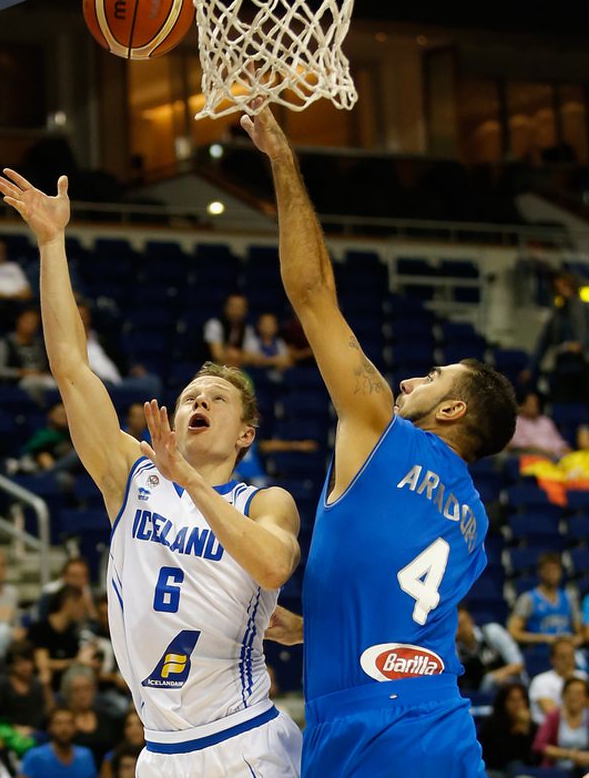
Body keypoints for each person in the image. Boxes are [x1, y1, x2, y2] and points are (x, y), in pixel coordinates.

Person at [0, 166, 303, 776]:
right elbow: (72, 368)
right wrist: (52, 246)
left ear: (245, 433)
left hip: (241, 738)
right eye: (190, 395)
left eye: (216, 397)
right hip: (158, 752)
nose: (198, 402)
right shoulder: (133, 476)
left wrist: (187, 477)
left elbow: (272, 565)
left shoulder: (264, 501)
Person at [241, 100, 518, 777]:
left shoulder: (380, 433)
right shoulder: (474, 522)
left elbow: (311, 294)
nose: (408, 379)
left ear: (451, 408)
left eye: (430, 375)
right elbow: (400, 605)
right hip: (439, 719)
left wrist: (283, 165)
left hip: (364, 724)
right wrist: (317, 626)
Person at [522, 271, 589, 404]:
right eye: (558, 288)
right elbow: (543, 342)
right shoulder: (556, 314)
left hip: (583, 362)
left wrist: (581, 344)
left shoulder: (584, 307)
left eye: (564, 286)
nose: (562, 291)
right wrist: (530, 368)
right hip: (562, 363)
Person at [0, 641, 52, 753]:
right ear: (11, 664)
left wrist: (46, 686)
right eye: (19, 662)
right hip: (7, 738)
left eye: (28, 661)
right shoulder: (1, 683)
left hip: (34, 737)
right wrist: (13, 730)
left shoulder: (37, 684)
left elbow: (50, 713)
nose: (25, 666)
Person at [77, 304, 161, 400]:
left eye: (83, 317)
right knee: (150, 385)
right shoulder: (73, 346)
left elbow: (119, 359)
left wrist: (131, 368)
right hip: (100, 386)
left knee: (151, 381)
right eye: (78, 317)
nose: (82, 321)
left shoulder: (101, 338)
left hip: (118, 383)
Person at [508, 552, 583, 647]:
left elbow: (580, 633)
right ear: (540, 572)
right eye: (548, 570)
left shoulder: (569, 597)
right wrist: (542, 638)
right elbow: (514, 633)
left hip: (567, 650)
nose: (552, 574)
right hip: (541, 651)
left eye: (556, 570)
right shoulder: (528, 599)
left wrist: (572, 641)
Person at [26, 586, 93, 691]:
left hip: (68, 688)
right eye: (81, 606)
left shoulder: (72, 633)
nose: (83, 612)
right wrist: (77, 662)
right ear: (69, 603)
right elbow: (43, 663)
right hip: (42, 688)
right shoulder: (40, 629)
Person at [0, 308, 56, 406]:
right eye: (27, 321)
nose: (31, 325)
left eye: (34, 322)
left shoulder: (40, 343)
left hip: (41, 377)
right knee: (34, 384)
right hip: (18, 381)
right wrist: (21, 372)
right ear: (18, 321)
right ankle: (42, 410)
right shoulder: (5, 343)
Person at [60, 664, 119, 769]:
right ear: (67, 693)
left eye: (87, 688)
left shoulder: (106, 717)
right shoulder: (61, 721)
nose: (83, 695)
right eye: (77, 690)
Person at [456, 604, 525, 693]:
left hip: (510, 684)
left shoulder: (492, 632)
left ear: (471, 619)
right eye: (458, 625)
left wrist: (493, 677)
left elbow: (518, 664)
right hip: (478, 694)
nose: (464, 629)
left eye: (465, 622)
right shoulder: (455, 650)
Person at [478, 682, 538, 778]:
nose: (517, 704)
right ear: (503, 702)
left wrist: (525, 731)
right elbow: (496, 757)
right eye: (512, 700)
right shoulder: (492, 724)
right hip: (495, 769)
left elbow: (534, 759)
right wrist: (517, 731)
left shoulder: (532, 726)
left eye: (521, 699)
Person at [17, 707, 97, 778]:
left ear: (76, 727)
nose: (64, 728)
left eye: (69, 723)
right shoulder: (34, 756)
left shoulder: (86, 756)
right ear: (49, 727)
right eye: (58, 723)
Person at [533, 676, 589, 771]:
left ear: (586, 697)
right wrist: (569, 755)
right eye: (570, 692)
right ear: (563, 695)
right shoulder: (553, 716)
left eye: (579, 693)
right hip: (556, 769)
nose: (574, 697)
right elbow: (539, 745)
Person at [529, 637, 588, 724]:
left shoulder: (582, 677)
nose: (568, 660)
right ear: (552, 659)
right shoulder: (541, 681)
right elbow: (551, 712)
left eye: (571, 656)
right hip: (549, 730)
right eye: (563, 657)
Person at [508, 391, 570, 459]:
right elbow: (516, 444)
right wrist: (542, 451)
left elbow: (558, 442)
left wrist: (566, 449)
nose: (535, 406)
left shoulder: (546, 421)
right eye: (531, 404)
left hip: (554, 457)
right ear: (522, 406)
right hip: (531, 458)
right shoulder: (518, 422)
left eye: (536, 404)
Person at [35, 558, 95, 623]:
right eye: (74, 576)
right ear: (64, 577)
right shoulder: (50, 594)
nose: (78, 580)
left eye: (82, 576)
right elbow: (43, 621)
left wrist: (90, 608)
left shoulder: (92, 596)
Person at [202, 293, 256, 365]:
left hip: (236, 369)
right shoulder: (214, 325)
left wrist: (234, 355)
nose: (236, 311)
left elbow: (250, 357)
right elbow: (217, 355)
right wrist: (238, 355)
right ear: (226, 307)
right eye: (233, 306)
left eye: (240, 307)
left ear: (245, 310)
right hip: (211, 369)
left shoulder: (247, 329)